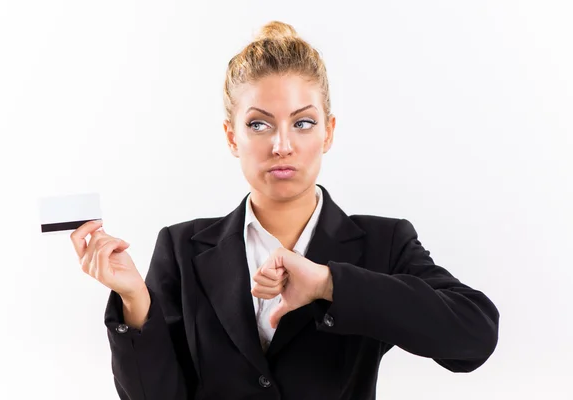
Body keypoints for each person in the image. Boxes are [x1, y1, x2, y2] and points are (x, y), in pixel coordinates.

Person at [70, 21, 500, 400]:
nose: (282, 145)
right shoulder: (182, 248)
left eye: (303, 122)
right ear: (231, 136)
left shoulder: (383, 244)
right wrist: (134, 300)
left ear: (328, 132)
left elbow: (474, 337)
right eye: (259, 124)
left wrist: (331, 284)